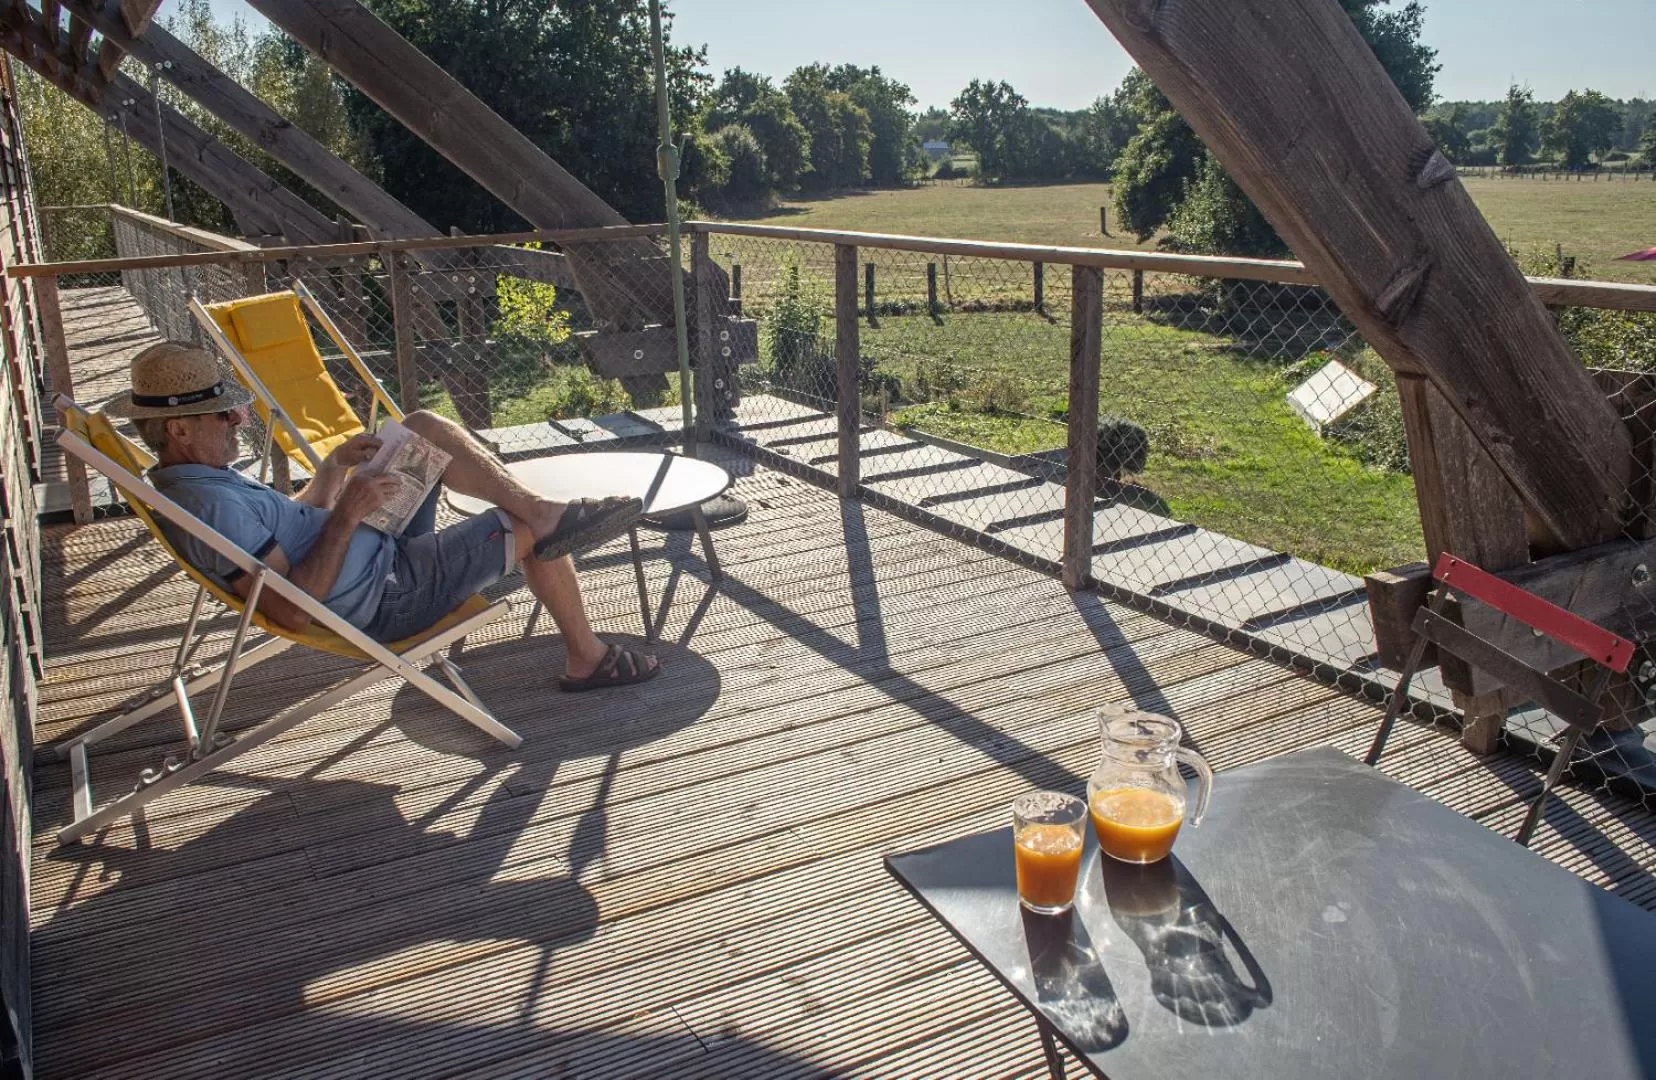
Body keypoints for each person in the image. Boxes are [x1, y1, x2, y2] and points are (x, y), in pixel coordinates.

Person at [105, 341, 660, 691]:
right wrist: (348, 513)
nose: (236, 419)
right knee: (519, 531)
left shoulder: (197, 478)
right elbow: (289, 608)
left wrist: (330, 471)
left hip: (370, 550)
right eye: (223, 412)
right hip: (385, 595)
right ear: (178, 429)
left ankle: (546, 514)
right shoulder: (210, 504)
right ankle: (586, 655)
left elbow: (291, 533)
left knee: (421, 428)